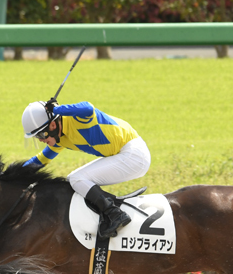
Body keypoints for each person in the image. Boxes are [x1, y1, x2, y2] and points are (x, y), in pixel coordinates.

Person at [21, 99, 151, 238]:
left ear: (52, 125)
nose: (40, 140)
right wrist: (11, 174)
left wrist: (57, 109)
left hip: (134, 155)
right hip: (125, 155)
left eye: (40, 135)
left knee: (77, 179)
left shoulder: (77, 119)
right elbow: (40, 160)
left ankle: (114, 214)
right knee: (74, 180)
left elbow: (88, 108)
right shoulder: (60, 138)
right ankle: (109, 209)